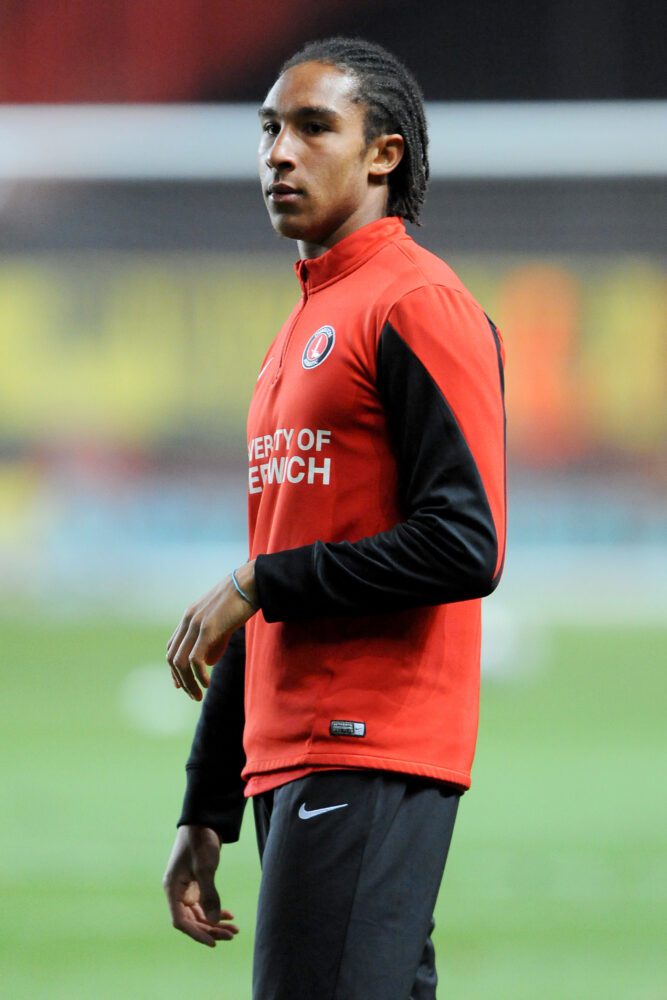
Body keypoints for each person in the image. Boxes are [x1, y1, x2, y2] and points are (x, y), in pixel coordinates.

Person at [163, 36, 506, 1000]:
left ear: (383, 154)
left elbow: (465, 543)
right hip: (292, 753)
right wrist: (207, 802)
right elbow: (276, 568)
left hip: (367, 740)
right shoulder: (301, 328)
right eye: (269, 128)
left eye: (313, 127)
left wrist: (257, 581)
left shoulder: (417, 303)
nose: (279, 152)